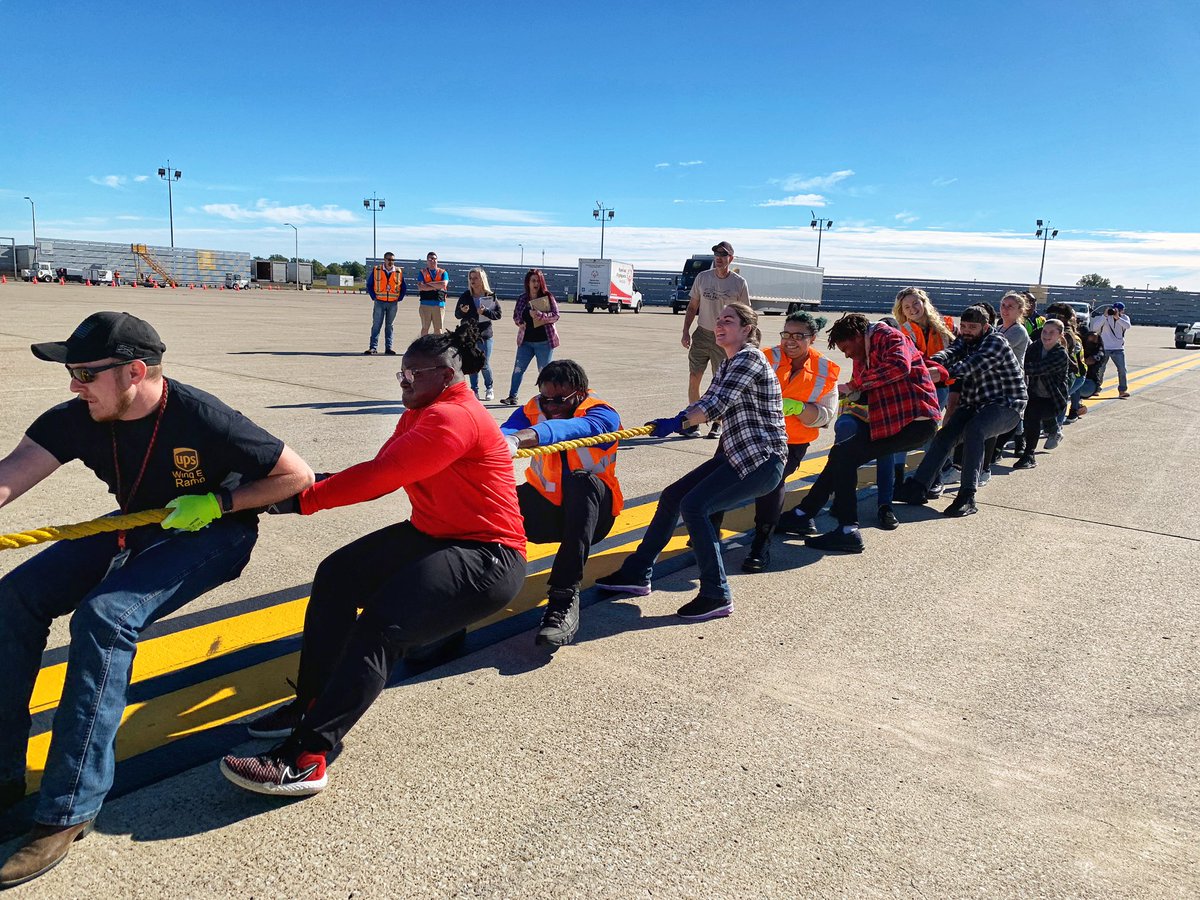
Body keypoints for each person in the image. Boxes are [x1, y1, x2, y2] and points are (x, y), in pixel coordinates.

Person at [0, 312, 312, 887]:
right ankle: (2, 781)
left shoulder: (203, 416)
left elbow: (296, 475)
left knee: (105, 618)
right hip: (137, 522)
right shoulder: (78, 418)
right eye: (71, 372)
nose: (74, 385)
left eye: (85, 373)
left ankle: (68, 809)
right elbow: (11, 474)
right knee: (13, 598)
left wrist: (219, 504)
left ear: (135, 372)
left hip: (214, 531)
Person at [224, 321, 526, 797]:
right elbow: (372, 470)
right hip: (435, 533)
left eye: (412, 375)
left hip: (486, 555)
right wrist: (282, 487)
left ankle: (307, 757)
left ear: (448, 375)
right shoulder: (421, 413)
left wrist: (295, 502)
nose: (403, 383)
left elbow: (381, 477)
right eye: (400, 374)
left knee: (382, 627)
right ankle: (311, 703)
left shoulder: (454, 418)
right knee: (337, 576)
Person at [596, 303, 785, 620]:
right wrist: (681, 419)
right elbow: (710, 403)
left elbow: (713, 405)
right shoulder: (728, 364)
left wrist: (676, 422)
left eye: (729, 320)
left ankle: (716, 594)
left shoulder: (749, 358)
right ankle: (638, 572)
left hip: (761, 461)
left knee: (695, 506)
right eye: (718, 320)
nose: (720, 325)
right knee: (673, 497)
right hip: (737, 456)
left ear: (748, 330)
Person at [788, 314, 941, 552]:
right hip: (895, 422)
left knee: (846, 457)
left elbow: (900, 366)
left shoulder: (887, 335)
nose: (847, 355)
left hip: (917, 421)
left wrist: (854, 387)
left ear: (858, 336)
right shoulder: (864, 355)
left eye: (847, 348)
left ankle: (846, 530)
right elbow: (862, 387)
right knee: (841, 454)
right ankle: (803, 513)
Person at [500, 360, 622, 646]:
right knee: (491, 501)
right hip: (548, 510)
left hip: (593, 516)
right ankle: (470, 593)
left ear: (580, 393)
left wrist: (522, 438)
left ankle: (563, 598)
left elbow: (571, 429)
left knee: (582, 482)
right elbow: (505, 431)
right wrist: (502, 440)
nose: (551, 406)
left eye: (560, 399)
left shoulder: (603, 414)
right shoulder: (534, 409)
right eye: (546, 398)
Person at [894, 306, 1027, 518]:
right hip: (974, 403)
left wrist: (941, 373)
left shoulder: (996, 342)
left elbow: (971, 365)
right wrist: (930, 364)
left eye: (972, 327)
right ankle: (918, 487)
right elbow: (950, 353)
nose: (966, 331)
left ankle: (967, 496)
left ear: (985, 327)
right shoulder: (965, 339)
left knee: (976, 430)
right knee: (944, 435)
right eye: (963, 326)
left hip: (1006, 405)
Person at [742, 311, 838, 571]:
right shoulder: (765, 357)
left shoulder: (825, 370)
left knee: (771, 483)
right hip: (751, 433)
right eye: (786, 334)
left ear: (813, 338)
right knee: (722, 474)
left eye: (799, 336)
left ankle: (761, 546)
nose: (790, 341)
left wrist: (797, 407)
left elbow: (825, 415)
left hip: (791, 442)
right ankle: (707, 531)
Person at [680, 241, 750, 438]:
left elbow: (747, 314)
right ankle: (694, 421)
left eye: (723, 254)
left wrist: (745, 340)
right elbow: (693, 306)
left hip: (726, 339)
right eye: (716, 254)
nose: (719, 257)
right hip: (702, 334)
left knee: (720, 383)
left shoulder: (738, 283)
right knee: (694, 378)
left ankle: (718, 422)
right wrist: (686, 331)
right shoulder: (703, 278)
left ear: (731, 259)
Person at [892, 288, 954, 487]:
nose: (912, 309)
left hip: (942, 385)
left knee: (930, 430)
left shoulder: (946, 325)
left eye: (915, 304)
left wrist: (947, 372)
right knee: (914, 430)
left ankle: (938, 473)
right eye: (907, 307)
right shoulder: (904, 331)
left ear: (924, 302)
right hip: (917, 386)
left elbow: (956, 351)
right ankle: (904, 475)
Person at [1013, 318, 1070, 470]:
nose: (1047, 335)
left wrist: (1015, 368)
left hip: (1053, 399)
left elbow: (1035, 368)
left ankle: (1029, 455)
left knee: (1033, 416)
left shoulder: (1060, 354)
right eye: (1045, 331)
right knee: (1021, 412)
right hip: (1034, 394)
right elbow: (1024, 362)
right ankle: (1051, 427)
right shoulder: (1036, 347)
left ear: (1060, 335)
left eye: (1052, 332)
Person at [500, 269, 560, 406]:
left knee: (544, 372)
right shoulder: (522, 298)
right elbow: (516, 316)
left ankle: (546, 398)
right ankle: (512, 396)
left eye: (538, 281)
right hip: (526, 342)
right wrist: (519, 323)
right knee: (518, 369)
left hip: (544, 342)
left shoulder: (548, 297)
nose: (536, 284)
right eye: (533, 280)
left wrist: (540, 315)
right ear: (528, 282)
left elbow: (556, 316)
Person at [454, 267, 502, 400]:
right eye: (470, 278)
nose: (472, 281)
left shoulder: (489, 296)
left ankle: (489, 387)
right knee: (471, 363)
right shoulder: (466, 295)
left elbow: (498, 314)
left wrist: (485, 312)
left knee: (484, 364)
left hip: (485, 335)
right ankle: (474, 389)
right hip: (468, 335)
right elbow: (457, 314)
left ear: (482, 279)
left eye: (475, 278)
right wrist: (463, 311)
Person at [364, 251, 407, 355]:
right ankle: (373, 347)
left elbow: (403, 287)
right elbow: (369, 284)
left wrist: (399, 298)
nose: (391, 262)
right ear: (384, 260)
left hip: (392, 303)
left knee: (389, 326)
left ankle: (389, 348)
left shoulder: (398, 271)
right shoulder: (376, 270)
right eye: (389, 259)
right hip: (379, 302)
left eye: (392, 260)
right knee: (376, 325)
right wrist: (374, 297)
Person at [1090, 301, 1131, 398]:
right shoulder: (1106, 318)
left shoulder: (1124, 318)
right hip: (1105, 348)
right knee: (1100, 369)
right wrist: (1104, 316)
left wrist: (1118, 317)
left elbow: (1128, 326)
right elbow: (1095, 328)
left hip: (1118, 349)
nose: (1115, 312)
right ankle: (1096, 389)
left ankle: (1122, 390)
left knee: (1122, 370)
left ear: (1122, 311)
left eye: (1119, 310)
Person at [1067, 330, 1106, 420]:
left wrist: (1077, 359)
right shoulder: (1080, 345)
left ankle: (1074, 411)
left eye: (1094, 340)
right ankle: (1079, 406)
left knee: (1076, 385)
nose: (1091, 342)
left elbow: (1089, 361)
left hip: (1090, 384)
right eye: (1089, 338)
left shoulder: (1099, 352)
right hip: (1079, 379)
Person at [416, 251, 450, 336]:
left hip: (439, 304)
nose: (433, 261)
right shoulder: (422, 272)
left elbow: (443, 284)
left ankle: (437, 348)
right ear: (427, 261)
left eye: (435, 259)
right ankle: (423, 347)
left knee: (438, 329)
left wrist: (428, 284)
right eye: (430, 259)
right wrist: (436, 286)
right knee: (425, 328)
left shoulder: (443, 272)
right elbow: (421, 287)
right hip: (425, 304)